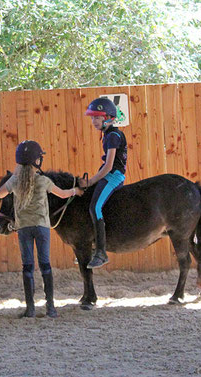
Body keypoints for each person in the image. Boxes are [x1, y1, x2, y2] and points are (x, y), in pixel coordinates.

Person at [0, 140, 83, 318]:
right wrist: (76, 191)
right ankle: (50, 308)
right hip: (42, 228)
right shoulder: (43, 181)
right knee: (45, 265)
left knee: (27, 267)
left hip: (24, 229)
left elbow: (0, 194)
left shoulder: (15, 181)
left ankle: (30, 309)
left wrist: (15, 176)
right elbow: (63, 194)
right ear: (37, 161)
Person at [81, 97, 128, 269]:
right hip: (109, 174)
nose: (93, 121)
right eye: (92, 118)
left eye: (97, 117)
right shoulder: (108, 134)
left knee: (95, 207)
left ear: (108, 117)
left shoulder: (113, 136)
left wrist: (92, 180)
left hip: (114, 176)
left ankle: (101, 252)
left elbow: (108, 166)